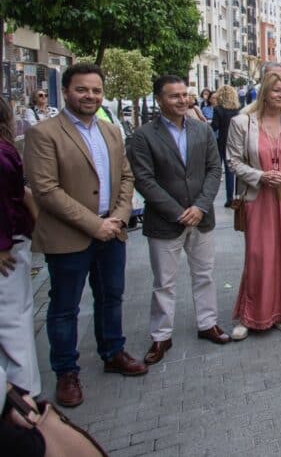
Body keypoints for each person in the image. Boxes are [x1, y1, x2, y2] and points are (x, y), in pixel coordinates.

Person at [23, 62, 143, 408]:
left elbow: (125, 178)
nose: (90, 96)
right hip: (70, 236)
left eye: (95, 90)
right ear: (67, 91)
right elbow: (46, 191)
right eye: (82, 89)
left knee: (112, 296)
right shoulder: (44, 133)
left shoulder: (109, 131)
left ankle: (113, 351)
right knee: (65, 307)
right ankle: (66, 372)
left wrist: (119, 218)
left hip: (113, 230)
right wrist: (96, 224)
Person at [127, 75, 230, 366]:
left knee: (205, 274)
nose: (183, 100)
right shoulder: (143, 136)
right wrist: (177, 211)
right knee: (164, 282)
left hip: (202, 217)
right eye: (175, 96)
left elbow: (214, 169)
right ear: (159, 99)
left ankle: (207, 323)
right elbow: (144, 180)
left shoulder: (202, 130)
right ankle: (161, 336)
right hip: (165, 221)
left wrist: (200, 206)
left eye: (185, 95)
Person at [226, 71, 281, 339]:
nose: (280, 95)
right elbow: (233, 161)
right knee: (259, 256)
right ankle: (251, 315)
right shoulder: (242, 122)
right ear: (264, 92)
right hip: (257, 198)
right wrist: (261, 176)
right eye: (275, 90)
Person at [0, 97, 41, 401]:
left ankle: (25, 396)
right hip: (11, 244)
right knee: (14, 323)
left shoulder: (4, 152)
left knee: (13, 322)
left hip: (9, 247)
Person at [211, 84, 241, 202]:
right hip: (236, 141)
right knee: (234, 170)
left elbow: (215, 126)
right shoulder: (238, 109)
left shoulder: (218, 109)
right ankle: (235, 196)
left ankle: (228, 198)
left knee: (218, 169)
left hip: (223, 141)